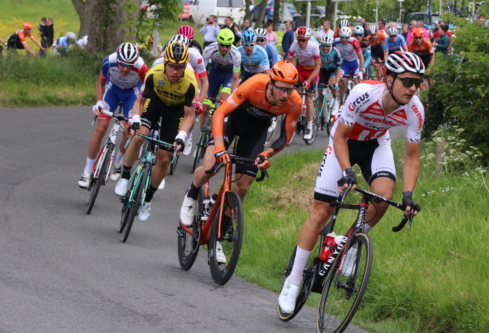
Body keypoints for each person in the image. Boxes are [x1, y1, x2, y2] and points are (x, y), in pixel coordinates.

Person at [278, 52, 425, 314]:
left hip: (376, 144)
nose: (413, 87)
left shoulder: (415, 109)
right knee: (321, 211)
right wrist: (347, 171)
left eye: (418, 81)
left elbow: (412, 156)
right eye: (408, 81)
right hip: (344, 142)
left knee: (382, 196)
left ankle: (353, 244)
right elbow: (340, 136)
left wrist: (409, 194)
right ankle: (293, 279)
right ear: (388, 79)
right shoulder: (363, 93)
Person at [179, 62, 303, 263]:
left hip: (254, 134)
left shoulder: (294, 102)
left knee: (242, 187)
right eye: (281, 89)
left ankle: (218, 239)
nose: (285, 96)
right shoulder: (254, 84)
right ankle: (192, 194)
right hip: (231, 121)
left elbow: (285, 138)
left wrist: (266, 154)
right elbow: (220, 113)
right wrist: (220, 147)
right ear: (270, 83)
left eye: (290, 90)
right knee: (211, 166)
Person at [114, 42, 197, 221]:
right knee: (137, 137)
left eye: (180, 67)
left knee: (165, 157)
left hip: (175, 112)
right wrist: (135, 121)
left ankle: (148, 200)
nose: (175, 71)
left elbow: (189, 116)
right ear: (165, 63)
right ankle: (125, 177)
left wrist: (182, 137)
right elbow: (140, 102)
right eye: (172, 66)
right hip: (155, 103)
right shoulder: (154, 74)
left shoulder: (190, 83)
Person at [78, 43, 149, 189]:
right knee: (100, 130)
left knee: (128, 133)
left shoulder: (142, 68)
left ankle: (117, 161)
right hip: (113, 91)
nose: (125, 69)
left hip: (132, 94)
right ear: (117, 60)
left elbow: (145, 93)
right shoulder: (108, 61)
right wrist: (98, 102)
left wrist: (138, 115)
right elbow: (101, 83)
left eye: (129, 66)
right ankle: (86, 172)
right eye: (122, 65)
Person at [153, 34, 209, 155]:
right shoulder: (167, 53)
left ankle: (187, 135)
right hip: (169, 81)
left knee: (192, 111)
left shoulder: (195, 55)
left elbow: (204, 82)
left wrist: (199, 101)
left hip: (190, 81)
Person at [200, 29, 241, 128]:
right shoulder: (209, 49)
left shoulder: (236, 54)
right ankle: (202, 132)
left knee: (223, 99)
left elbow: (236, 78)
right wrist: (199, 90)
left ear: (231, 45)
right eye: (222, 45)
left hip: (228, 76)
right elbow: (201, 72)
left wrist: (232, 96)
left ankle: (218, 128)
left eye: (227, 46)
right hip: (214, 74)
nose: (224, 48)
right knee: (205, 108)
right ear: (218, 43)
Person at [287, 26, 321, 140]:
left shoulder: (314, 47)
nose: (301, 42)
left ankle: (309, 126)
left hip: (312, 71)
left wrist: (309, 81)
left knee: (309, 98)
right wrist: (290, 75)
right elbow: (289, 61)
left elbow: (317, 67)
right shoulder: (294, 45)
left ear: (308, 39)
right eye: (299, 39)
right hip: (301, 69)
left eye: (303, 40)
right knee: (293, 93)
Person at [318, 35, 342, 110]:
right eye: (323, 45)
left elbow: (338, 68)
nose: (325, 48)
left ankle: (335, 101)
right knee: (320, 91)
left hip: (333, 70)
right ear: (320, 44)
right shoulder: (317, 50)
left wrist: (337, 82)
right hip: (322, 70)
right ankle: (319, 115)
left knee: (331, 84)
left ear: (331, 45)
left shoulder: (335, 52)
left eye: (327, 46)